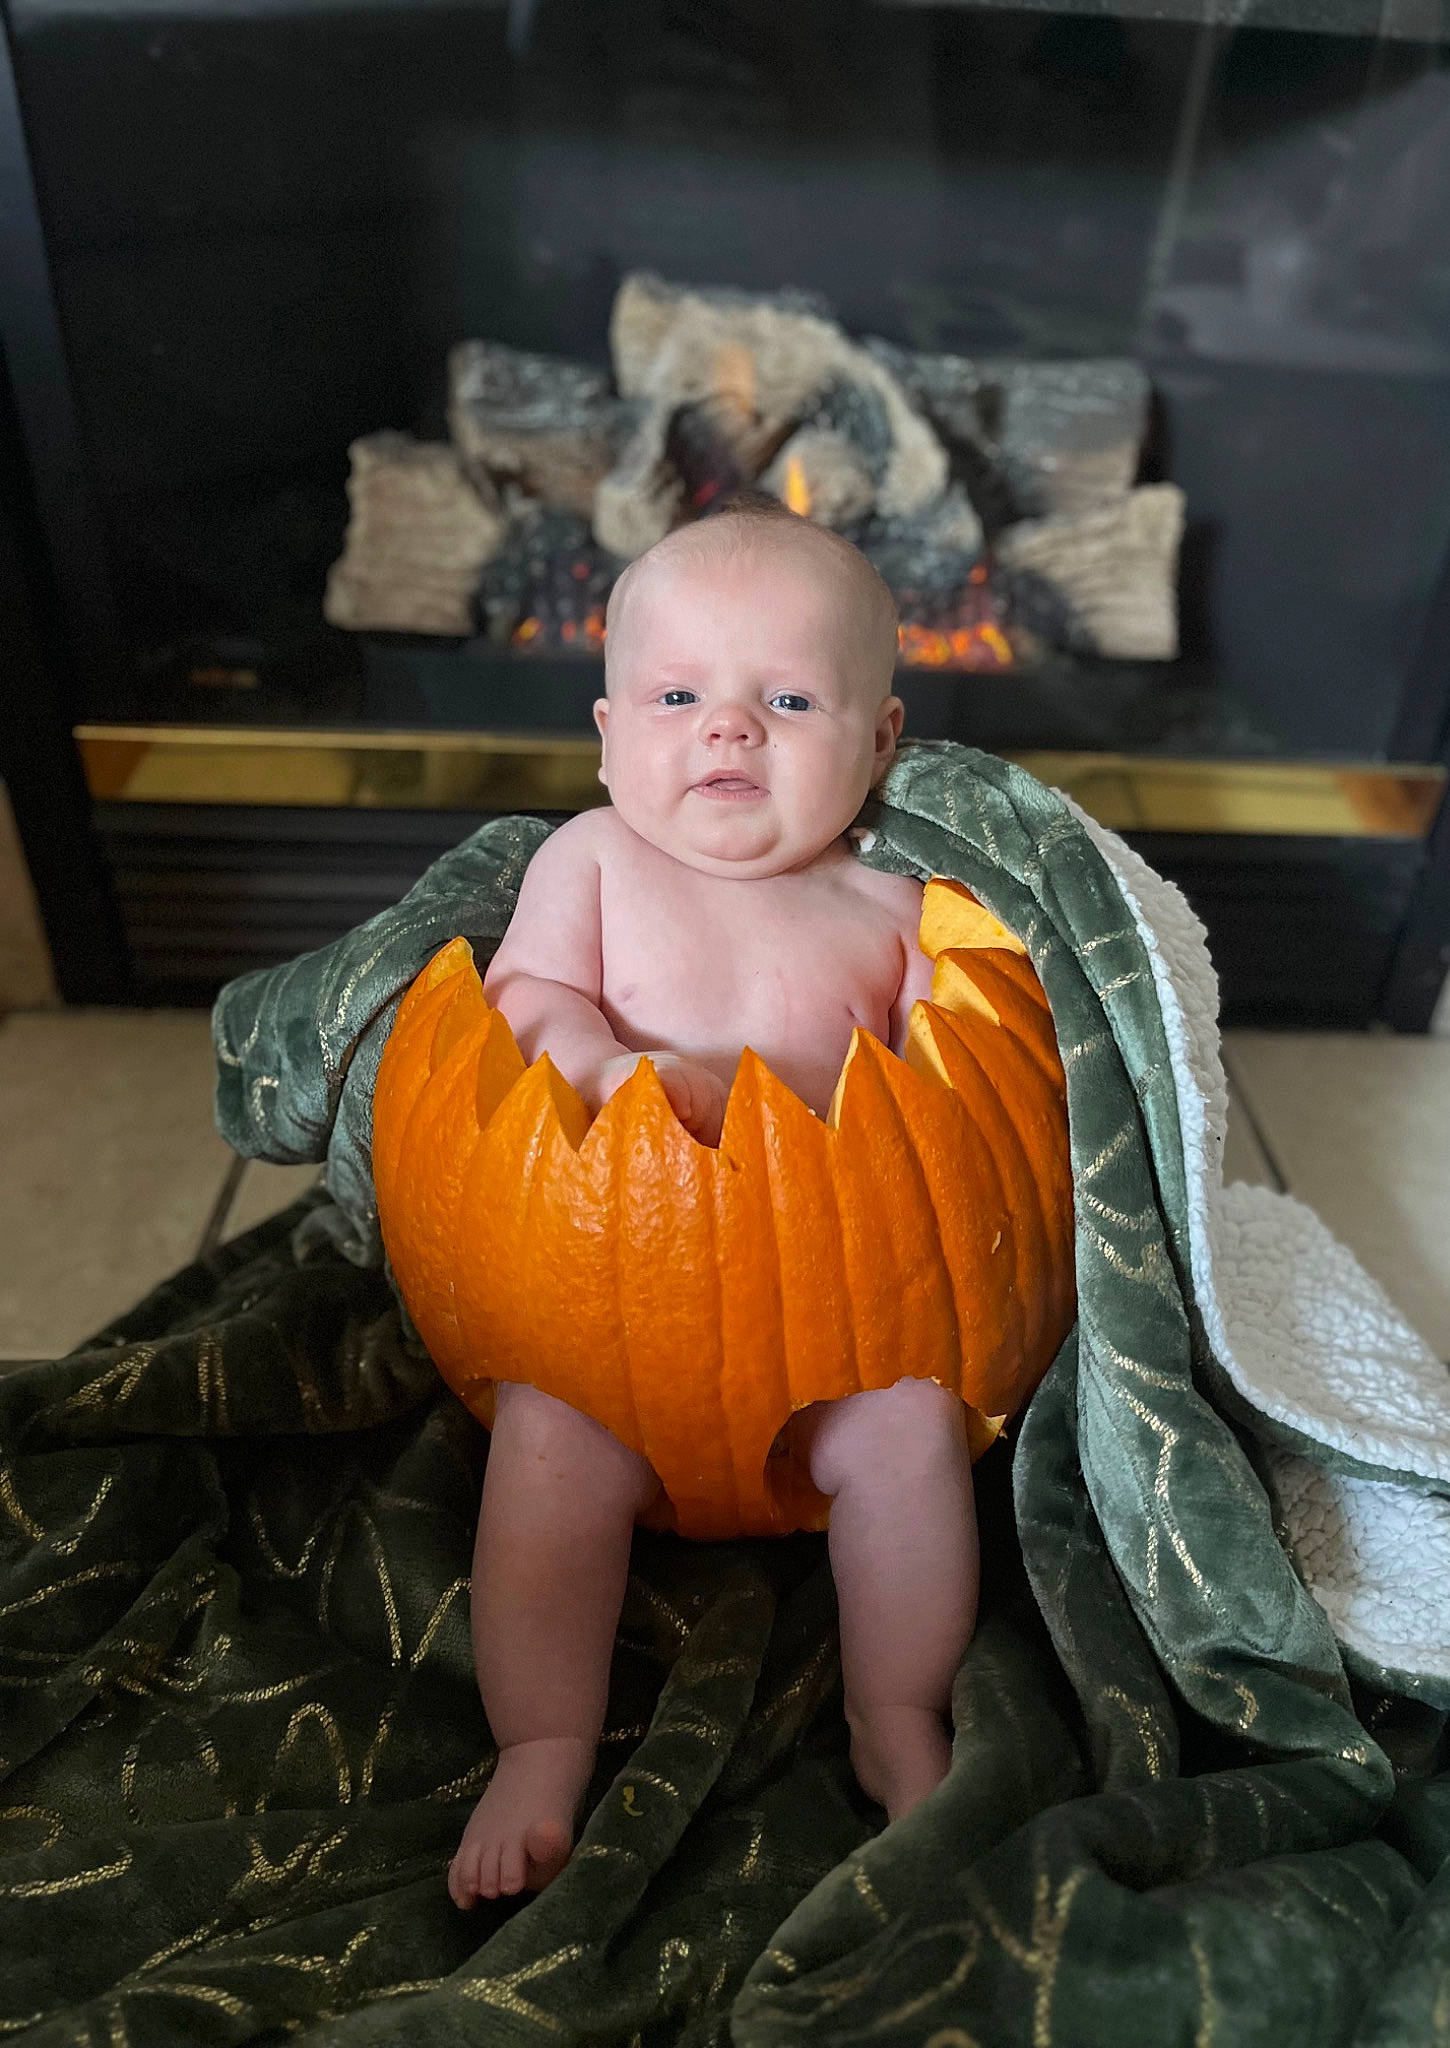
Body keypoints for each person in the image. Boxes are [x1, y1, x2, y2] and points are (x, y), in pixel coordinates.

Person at [446, 493, 981, 1908]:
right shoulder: (593, 864)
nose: (729, 729)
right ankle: (543, 1742)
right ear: (611, 735)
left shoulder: (890, 911)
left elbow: (960, 1097)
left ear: (877, 744)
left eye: (789, 698)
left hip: (841, 1322)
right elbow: (526, 1006)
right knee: (546, 1449)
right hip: (610, 1304)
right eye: (679, 695)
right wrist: (610, 1064)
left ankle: (898, 1709)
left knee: (916, 1427)